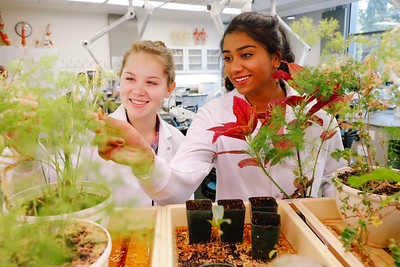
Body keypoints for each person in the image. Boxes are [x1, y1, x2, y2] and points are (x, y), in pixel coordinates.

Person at [94, 12, 345, 205]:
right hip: (240, 240)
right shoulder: (214, 115)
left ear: (276, 58)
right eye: (228, 58)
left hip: (307, 236)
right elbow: (179, 185)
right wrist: (145, 163)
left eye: (246, 55)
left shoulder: (314, 112)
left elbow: (333, 182)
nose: (234, 68)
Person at [93, 40, 184, 206]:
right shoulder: (94, 135)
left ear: (169, 89)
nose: (138, 91)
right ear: (120, 79)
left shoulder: (178, 140)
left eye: (151, 82)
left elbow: (183, 198)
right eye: (130, 79)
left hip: (165, 229)